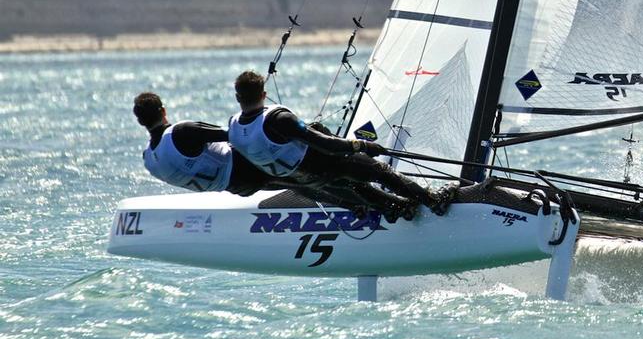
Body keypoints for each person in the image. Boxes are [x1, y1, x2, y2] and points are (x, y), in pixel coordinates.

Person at [227, 70, 456, 219]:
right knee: (379, 172)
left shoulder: (233, 128)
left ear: (238, 98)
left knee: (358, 187)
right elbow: (326, 144)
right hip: (325, 164)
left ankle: (397, 208)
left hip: (304, 179)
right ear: (264, 94)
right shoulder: (279, 119)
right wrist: (363, 146)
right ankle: (433, 201)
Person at [133, 92, 277, 196]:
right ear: (164, 110)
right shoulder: (181, 132)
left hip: (236, 188)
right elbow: (236, 133)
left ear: (140, 122)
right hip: (249, 167)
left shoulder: (149, 160)